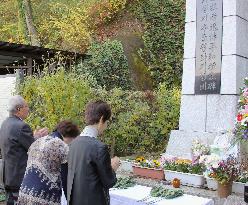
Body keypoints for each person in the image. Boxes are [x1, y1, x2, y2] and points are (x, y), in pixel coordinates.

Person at [67, 100, 120, 205]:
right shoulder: (99, 148)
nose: (106, 126)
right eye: (107, 121)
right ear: (101, 119)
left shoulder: (73, 144)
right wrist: (112, 167)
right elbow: (109, 181)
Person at [17, 120, 80, 205]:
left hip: (25, 192)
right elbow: (66, 179)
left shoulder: (37, 141)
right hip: (44, 196)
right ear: (70, 136)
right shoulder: (61, 146)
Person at [0, 95, 48, 205]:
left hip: (8, 175)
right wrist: (40, 137)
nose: (28, 109)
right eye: (26, 106)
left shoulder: (5, 124)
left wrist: (34, 136)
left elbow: (18, 144)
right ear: (18, 109)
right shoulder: (21, 126)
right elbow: (34, 148)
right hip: (19, 177)